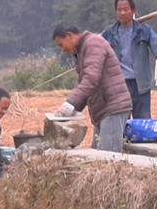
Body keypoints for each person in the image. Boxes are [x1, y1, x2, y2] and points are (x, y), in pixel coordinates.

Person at [52, 23, 133, 153]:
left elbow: (91, 79)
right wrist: (72, 110)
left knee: (108, 157)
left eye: (61, 45)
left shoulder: (93, 44)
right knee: (97, 155)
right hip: (103, 109)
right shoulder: (82, 51)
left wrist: (70, 103)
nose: (62, 50)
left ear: (69, 36)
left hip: (112, 107)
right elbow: (87, 86)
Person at [99, 0, 157, 119]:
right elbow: (94, 50)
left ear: (133, 11)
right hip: (118, 85)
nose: (122, 13)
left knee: (142, 125)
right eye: (119, 10)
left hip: (140, 85)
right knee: (119, 124)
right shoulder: (109, 33)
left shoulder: (144, 31)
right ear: (116, 12)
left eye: (126, 9)